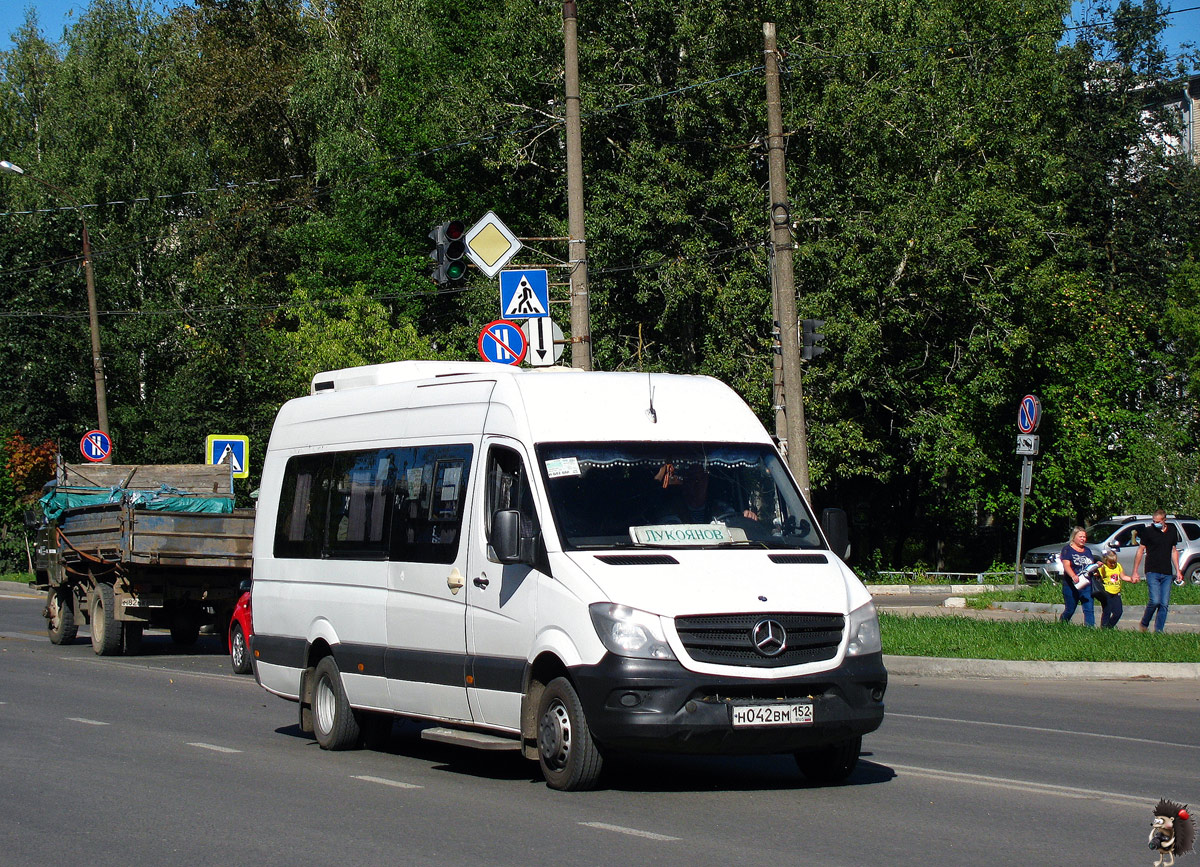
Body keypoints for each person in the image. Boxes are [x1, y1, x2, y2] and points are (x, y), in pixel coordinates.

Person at [1132, 508, 1183, 633]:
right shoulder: (1148, 531)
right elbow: (1140, 550)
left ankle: (1159, 631)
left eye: (1158, 521)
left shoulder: (1172, 530)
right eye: (1154, 521)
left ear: (1164, 520)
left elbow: (1174, 551)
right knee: (1155, 600)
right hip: (1152, 570)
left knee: (1164, 603)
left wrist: (1178, 570)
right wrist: (1135, 571)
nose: (1156, 523)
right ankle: (1144, 622)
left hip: (1167, 572)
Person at [1059, 526, 1096, 627]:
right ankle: (1062, 625)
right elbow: (1066, 565)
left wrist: (1096, 568)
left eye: (1084, 537)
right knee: (1070, 610)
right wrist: (1073, 576)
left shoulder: (1087, 550)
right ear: (1074, 537)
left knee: (1089, 609)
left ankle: (1090, 630)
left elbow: (1089, 565)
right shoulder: (1067, 550)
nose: (1083, 539)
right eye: (1080, 536)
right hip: (1071, 585)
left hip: (1086, 585)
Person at [1095, 548, 1136, 629]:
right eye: (1111, 563)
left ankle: (1109, 627)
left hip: (1116, 592)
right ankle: (1104, 628)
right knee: (1107, 611)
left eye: (1114, 562)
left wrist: (1131, 579)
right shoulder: (1103, 568)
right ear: (1106, 561)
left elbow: (1123, 576)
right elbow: (1096, 574)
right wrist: (1097, 566)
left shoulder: (1118, 566)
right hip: (1107, 592)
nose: (1113, 564)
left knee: (1118, 612)